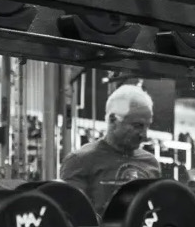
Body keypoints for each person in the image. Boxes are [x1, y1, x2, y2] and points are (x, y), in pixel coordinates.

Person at [59, 84, 162, 214]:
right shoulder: (80, 161)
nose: (144, 135)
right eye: (137, 126)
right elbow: (74, 218)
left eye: (147, 126)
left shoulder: (151, 163)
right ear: (113, 120)